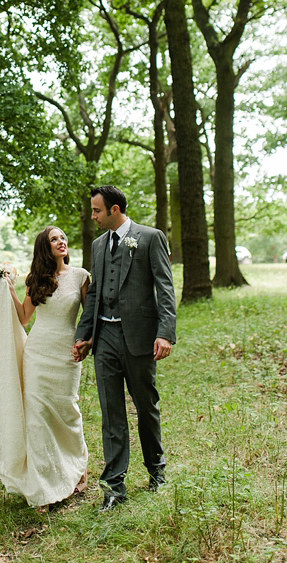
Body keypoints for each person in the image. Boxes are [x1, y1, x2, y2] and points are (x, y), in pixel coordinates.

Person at [72, 185, 176, 512]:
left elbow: (165, 288)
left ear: (114, 209)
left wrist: (165, 333)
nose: (93, 216)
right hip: (105, 338)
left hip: (140, 336)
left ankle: (156, 470)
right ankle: (114, 487)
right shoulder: (98, 245)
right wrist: (84, 334)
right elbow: (96, 293)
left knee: (146, 406)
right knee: (111, 412)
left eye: (97, 211)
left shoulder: (150, 237)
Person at [0, 226, 90, 511]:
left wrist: (88, 342)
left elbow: (88, 317)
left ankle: (77, 463)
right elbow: (24, 318)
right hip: (37, 353)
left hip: (66, 355)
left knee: (67, 412)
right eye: (53, 239)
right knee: (36, 419)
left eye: (62, 237)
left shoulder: (81, 276)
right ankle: (42, 488)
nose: (61, 242)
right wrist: (8, 288)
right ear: (44, 248)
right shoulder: (37, 279)